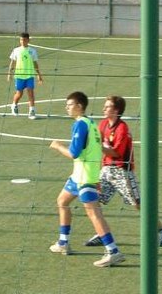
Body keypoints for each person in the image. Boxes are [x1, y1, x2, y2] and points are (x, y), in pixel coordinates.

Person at [48, 91, 125, 268]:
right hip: (81, 176)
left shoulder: (81, 125)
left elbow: (74, 153)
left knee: (93, 213)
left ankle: (113, 251)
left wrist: (58, 147)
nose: (67, 108)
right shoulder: (92, 124)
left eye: (70, 104)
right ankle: (63, 242)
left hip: (84, 179)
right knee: (62, 201)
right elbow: (94, 151)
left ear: (79, 106)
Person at [84, 95, 162, 248]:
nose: (103, 109)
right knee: (93, 200)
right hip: (106, 170)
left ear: (116, 110)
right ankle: (101, 232)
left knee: (138, 204)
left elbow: (115, 153)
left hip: (122, 172)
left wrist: (95, 145)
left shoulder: (122, 129)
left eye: (107, 106)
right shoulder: (103, 124)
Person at [7, 32, 44, 119]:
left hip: (30, 75)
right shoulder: (16, 50)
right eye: (21, 40)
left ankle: (32, 111)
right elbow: (12, 63)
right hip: (19, 76)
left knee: (30, 93)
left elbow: (35, 63)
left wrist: (39, 75)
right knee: (19, 93)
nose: (22, 41)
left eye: (24, 40)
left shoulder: (33, 51)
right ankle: (14, 105)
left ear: (28, 40)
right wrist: (9, 73)